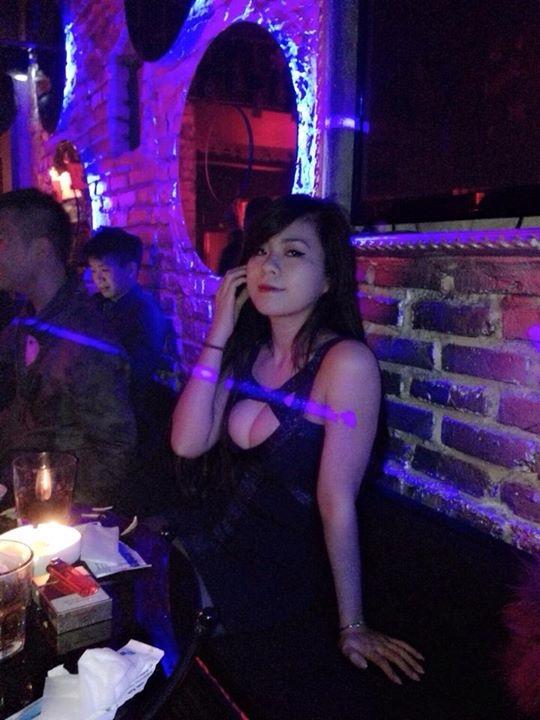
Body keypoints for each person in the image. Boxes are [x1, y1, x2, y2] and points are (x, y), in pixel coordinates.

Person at [170, 194, 424, 718]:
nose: (269, 265)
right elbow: (187, 443)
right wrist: (218, 332)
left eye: (293, 252)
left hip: (274, 586)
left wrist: (353, 625)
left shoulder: (345, 364)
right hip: (204, 547)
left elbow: (337, 502)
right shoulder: (247, 351)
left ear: (329, 279)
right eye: (261, 250)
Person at [0, 188, 136, 507]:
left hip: (54, 509)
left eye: (2, 239)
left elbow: (114, 455)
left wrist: (37, 495)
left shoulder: (87, 339)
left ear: (41, 251)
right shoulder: (26, 321)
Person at [85, 227, 176, 514]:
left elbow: (137, 371)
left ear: (131, 269)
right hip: (99, 410)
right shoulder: (96, 304)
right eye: (93, 271)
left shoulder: (143, 312)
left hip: (131, 415)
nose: (98, 279)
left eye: (104, 271)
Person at [49, 140, 91, 269]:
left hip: (78, 203)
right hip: (66, 204)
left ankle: (81, 259)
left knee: (82, 231)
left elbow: (82, 187)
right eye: (64, 154)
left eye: (69, 154)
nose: (66, 158)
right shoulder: (55, 171)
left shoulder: (76, 168)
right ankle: (71, 261)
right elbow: (57, 191)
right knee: (71, 231)